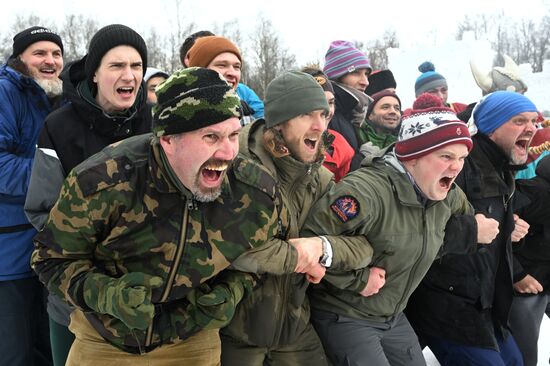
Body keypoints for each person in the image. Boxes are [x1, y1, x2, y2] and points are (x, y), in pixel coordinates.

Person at [31, 67, 289, 365]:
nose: (229, 152)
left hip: (193, 340)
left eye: (233, 135)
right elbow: (50, 259)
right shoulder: (102, 182)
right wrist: (106, 295)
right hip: (106, 340)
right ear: (168, 139)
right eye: (211, 137)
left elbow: (260, 257)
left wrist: (231, 290)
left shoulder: (256, 193)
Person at [302, 93, 491, 366]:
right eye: (446, 156)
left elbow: (449, 228)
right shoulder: (364, 192)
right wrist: (359, 280)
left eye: (462, 158)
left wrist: (474, 229)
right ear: (412, 157)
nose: (456, 166)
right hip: (344, 312)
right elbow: (310, 244)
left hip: (393, 314)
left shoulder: (446, 192)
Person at [220, 71, 374, 365]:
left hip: (294, 330)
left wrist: (321, 248)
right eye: (306, 115)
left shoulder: (321, 179)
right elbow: (240, 248)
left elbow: (362, 244)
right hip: (233, 332)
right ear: (279, 122)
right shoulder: (237, 167)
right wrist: (301, 256)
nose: (320, 126)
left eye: (324, 115)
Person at [24, 24, 152, 366]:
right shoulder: (59, 126)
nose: (129, 75)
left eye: (136, 66)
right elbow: (41, 209)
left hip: (146, 296)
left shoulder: (155, 122)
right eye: (116, 66)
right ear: (95, 73)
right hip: (75, 299)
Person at [406, 91, 539, 366]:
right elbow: (417, 229)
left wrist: (508, 230)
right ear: (491, 126)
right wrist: (472, 230)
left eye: (533, 121)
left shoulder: (502, 168)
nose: (531, 128)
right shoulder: (461, 165)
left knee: (517, 362)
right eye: (519, 121)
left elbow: (491, 231)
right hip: (446, 304)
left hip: (483, 301)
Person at [0, 25, 64, 366]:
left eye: (56, 54)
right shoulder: (5, 93)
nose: (50, 60)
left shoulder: (52, 96)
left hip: (43, 247)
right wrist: (58, 175)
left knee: (45, 348)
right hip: (8, 254)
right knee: (14, 352)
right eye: (39, 53)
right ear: (20, 59)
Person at [510, 154, 550, 366]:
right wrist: (517, 274)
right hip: (526, 284)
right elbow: (492, 225)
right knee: (523, 358)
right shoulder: (536, 191)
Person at [180, 30, 264, 119]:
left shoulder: (243, 91)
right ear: (188, 61)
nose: (232, 73)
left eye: (236, 66)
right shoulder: (176, 101)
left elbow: (265, 118)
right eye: (222, 65)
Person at [323, 40, 372, 171]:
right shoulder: (327, 116)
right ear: (337, 76)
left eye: (366, 74)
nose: (365, 82)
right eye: (356, 72)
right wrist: (365, 157)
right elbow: (334, 172)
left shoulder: (350, 113)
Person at [302, 66, 354, 182]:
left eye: (330, 103)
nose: (327, 110)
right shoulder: (284, 145)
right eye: (318, 102)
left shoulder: (341, 146)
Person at [358, 90, 402, 159]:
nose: (393, 111)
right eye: (385, 107)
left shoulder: (404, 141)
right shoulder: (356, 135)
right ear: (370, 115)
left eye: (397, 108)